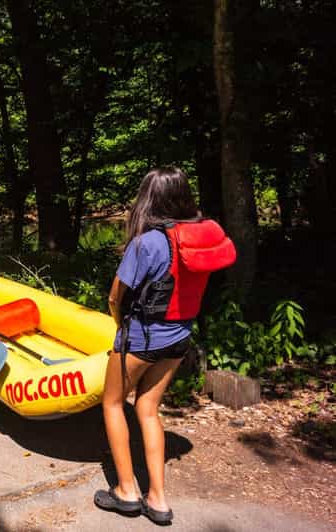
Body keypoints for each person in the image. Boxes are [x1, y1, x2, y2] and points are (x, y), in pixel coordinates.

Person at [93, 167, 235, 525]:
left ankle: (126, 490)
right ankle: (157, 498)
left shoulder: (146, 243)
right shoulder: (197, 238)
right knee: (149, 409)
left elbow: (115, 296)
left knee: (111, 402)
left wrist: (117, 325)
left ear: (149, 199)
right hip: (179, 338)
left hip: (142, 338)